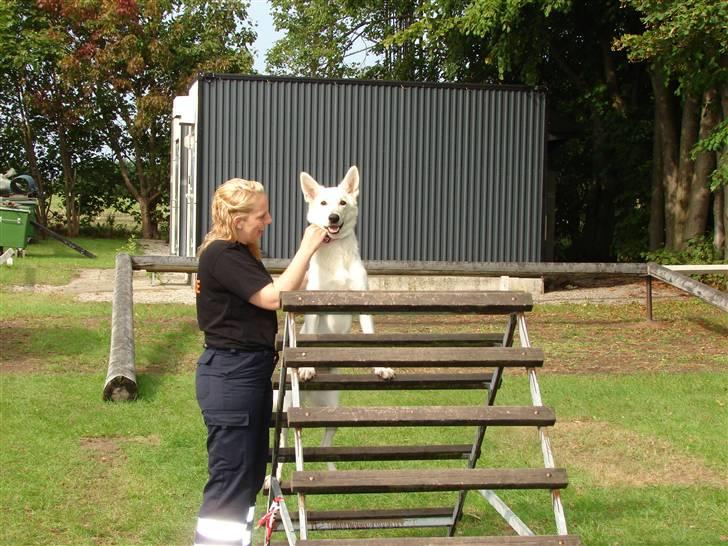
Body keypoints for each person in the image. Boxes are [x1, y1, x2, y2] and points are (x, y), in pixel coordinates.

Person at [193, 178, 327, 546]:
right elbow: (274, 298)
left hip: (244, 376)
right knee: (231, 480)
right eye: (261, 215)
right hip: (231, 378)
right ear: (237, 221)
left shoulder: (233, 252)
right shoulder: (223, 255)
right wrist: (307, 247)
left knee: (249, 477)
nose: (268, 220)